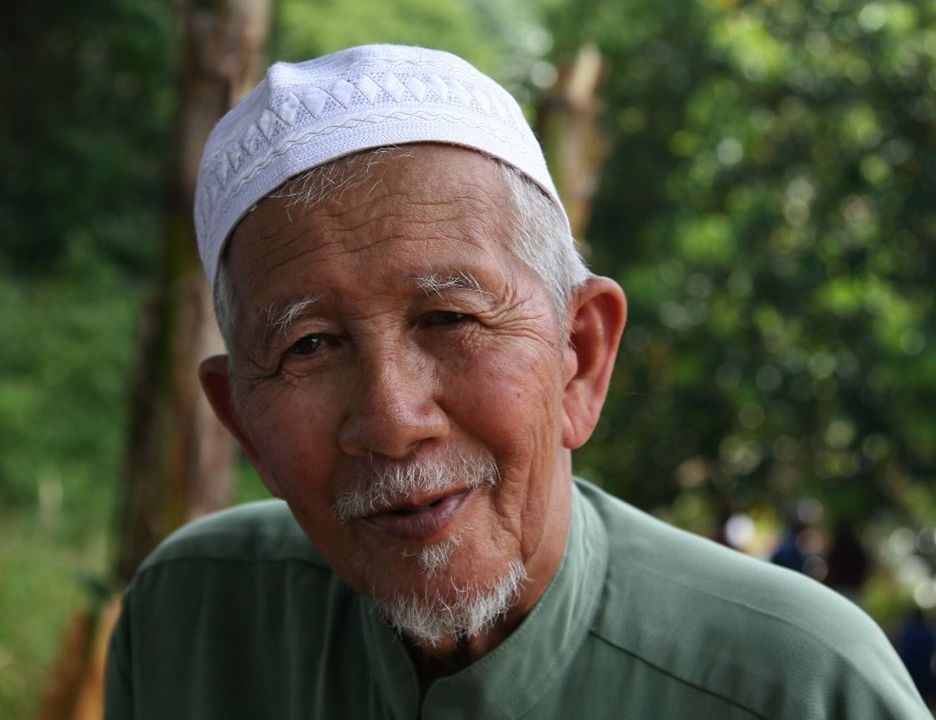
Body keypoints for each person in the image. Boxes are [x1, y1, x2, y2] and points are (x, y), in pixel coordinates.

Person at [104, 44, 928, 719]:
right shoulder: (190, 617)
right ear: (243, 425)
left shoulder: (804, 686)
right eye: (310, 346)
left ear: (581, 354)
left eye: (450, 320)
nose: (392, 421)